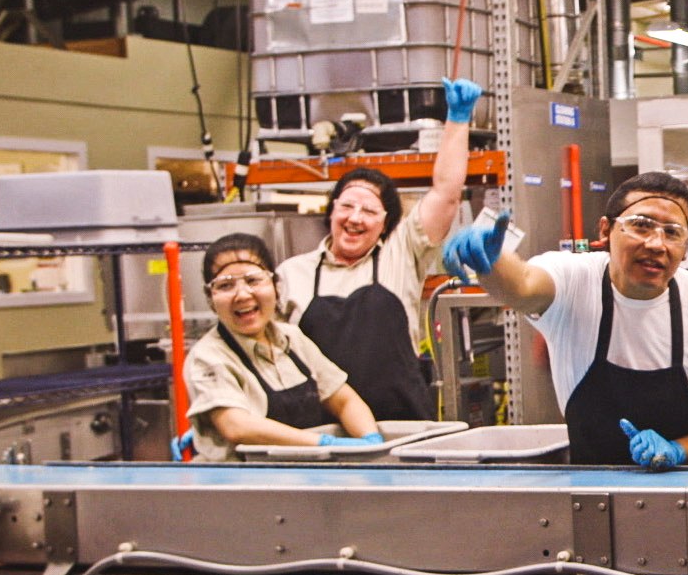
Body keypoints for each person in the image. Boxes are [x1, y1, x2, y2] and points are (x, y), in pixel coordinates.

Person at [442, 172, 688, 469]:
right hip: (589, 494)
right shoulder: (573, 281)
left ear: (686, 248)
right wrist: (491, 263)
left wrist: (680, 449)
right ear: (606, 231)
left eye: (672, 232)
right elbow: (523, 286)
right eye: (641, 225)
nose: (655, 243)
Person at [275, 77, 483, 421]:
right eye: (346, 206)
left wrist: (458, 119)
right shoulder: (291, 273)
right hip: (319, 433)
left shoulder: (401, 254)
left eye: (370, 211)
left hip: (402, 427)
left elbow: (446, 192)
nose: (355, 218)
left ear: (385, 225)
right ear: (332, 211)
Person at [182, 233, 381, 461]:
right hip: (244, 485)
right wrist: (326, 444)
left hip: (304, 478)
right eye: (225, 285)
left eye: (253, 280)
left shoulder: (292, 338)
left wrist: (370, 443)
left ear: (276, 286)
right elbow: (236, 426)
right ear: (210, 299)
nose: (242, 294)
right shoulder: (208, 356)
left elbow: (343, 399)